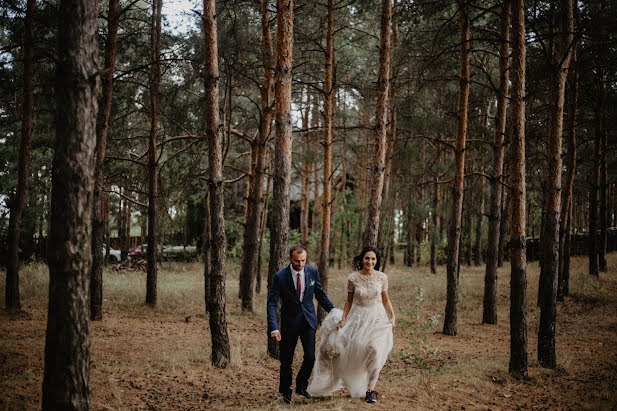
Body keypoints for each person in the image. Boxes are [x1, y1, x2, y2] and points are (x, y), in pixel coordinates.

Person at [307, 246, 395, 403]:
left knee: (375, 349)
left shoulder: (382, 277)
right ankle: (351, 379)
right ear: (362, 259)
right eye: (367, 258)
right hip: (357, 317)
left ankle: (370, 390)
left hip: (376, 317)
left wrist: (392, 317)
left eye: (373, 259)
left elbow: (386, 299)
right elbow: (348, 301)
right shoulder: (353, 278)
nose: (370, 261)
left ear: (377, 261)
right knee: (353, 350)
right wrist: (343, 319)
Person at [267, 244, 334, 404]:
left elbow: (319, 293)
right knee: (286, 361)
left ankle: (301, 385)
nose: (300, 264)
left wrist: (333, 311)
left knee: (310, 357)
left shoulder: (312, 272)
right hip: (289, 323)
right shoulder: (280, 277)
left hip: (308, 321)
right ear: (290, 259)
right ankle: (285, 392)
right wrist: (274, 327)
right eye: (297, 261)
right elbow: (271, 303)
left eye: (303, 260)